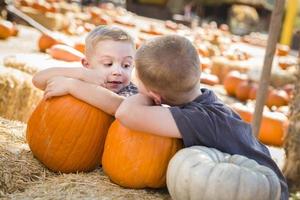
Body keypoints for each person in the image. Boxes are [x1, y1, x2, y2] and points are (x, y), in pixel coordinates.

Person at [115, 35, 288, 200]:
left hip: (264, 191)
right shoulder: (207, 100)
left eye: (139, 85)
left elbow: (125, 113)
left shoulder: (198, 120)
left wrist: (146, 95)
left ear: (156, 96)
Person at [32, 25, 138, 115]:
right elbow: (37, 79)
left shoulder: (130, 91)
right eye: (108, 64)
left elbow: (120, 107)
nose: (118, 72)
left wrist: (72, 86)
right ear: (87, 64)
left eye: (126, 65)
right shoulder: (83, 77)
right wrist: (80, 73)